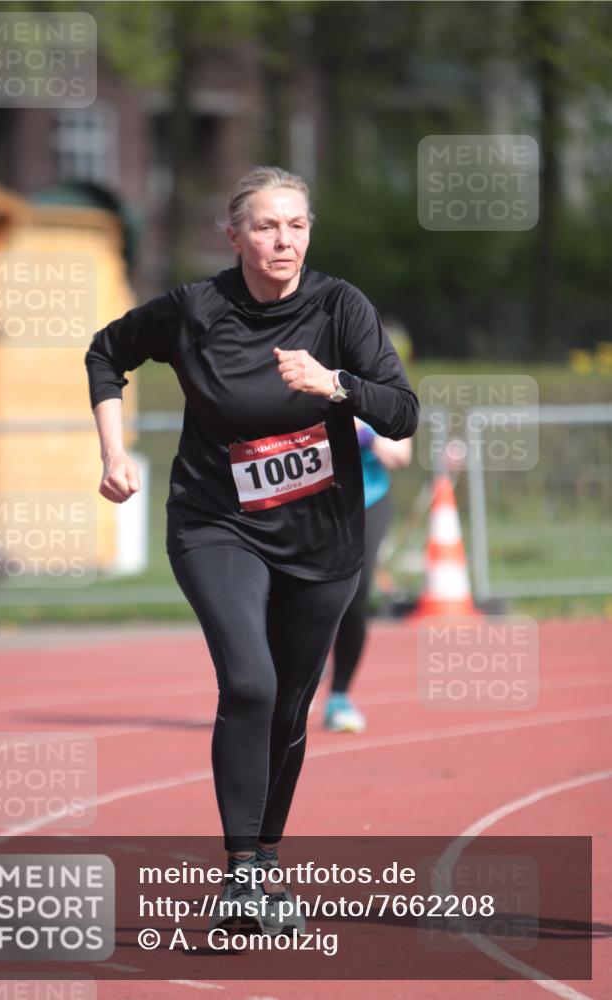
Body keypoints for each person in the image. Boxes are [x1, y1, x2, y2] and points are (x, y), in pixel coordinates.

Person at [84, 165, 418, 936]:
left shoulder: (340, 308)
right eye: (265, 225)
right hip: (216, 522)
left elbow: (400, 414)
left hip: (322, 536)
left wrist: (335, 383)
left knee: (290, 711)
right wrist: (111, 451)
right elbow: (106, 354)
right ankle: (239, 874)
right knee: (249, 681)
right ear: (232, 236)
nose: (283, 240)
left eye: (296, 224)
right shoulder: (194, 310)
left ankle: (265, 864)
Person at [324, 418, 413, 733]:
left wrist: (365, 437)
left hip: (368, 500)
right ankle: (304, 666)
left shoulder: (379, 381)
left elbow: (402, 456)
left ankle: (339, 698)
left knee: (357, 594)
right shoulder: (304, 372)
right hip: (315, 502)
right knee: (307, 593)